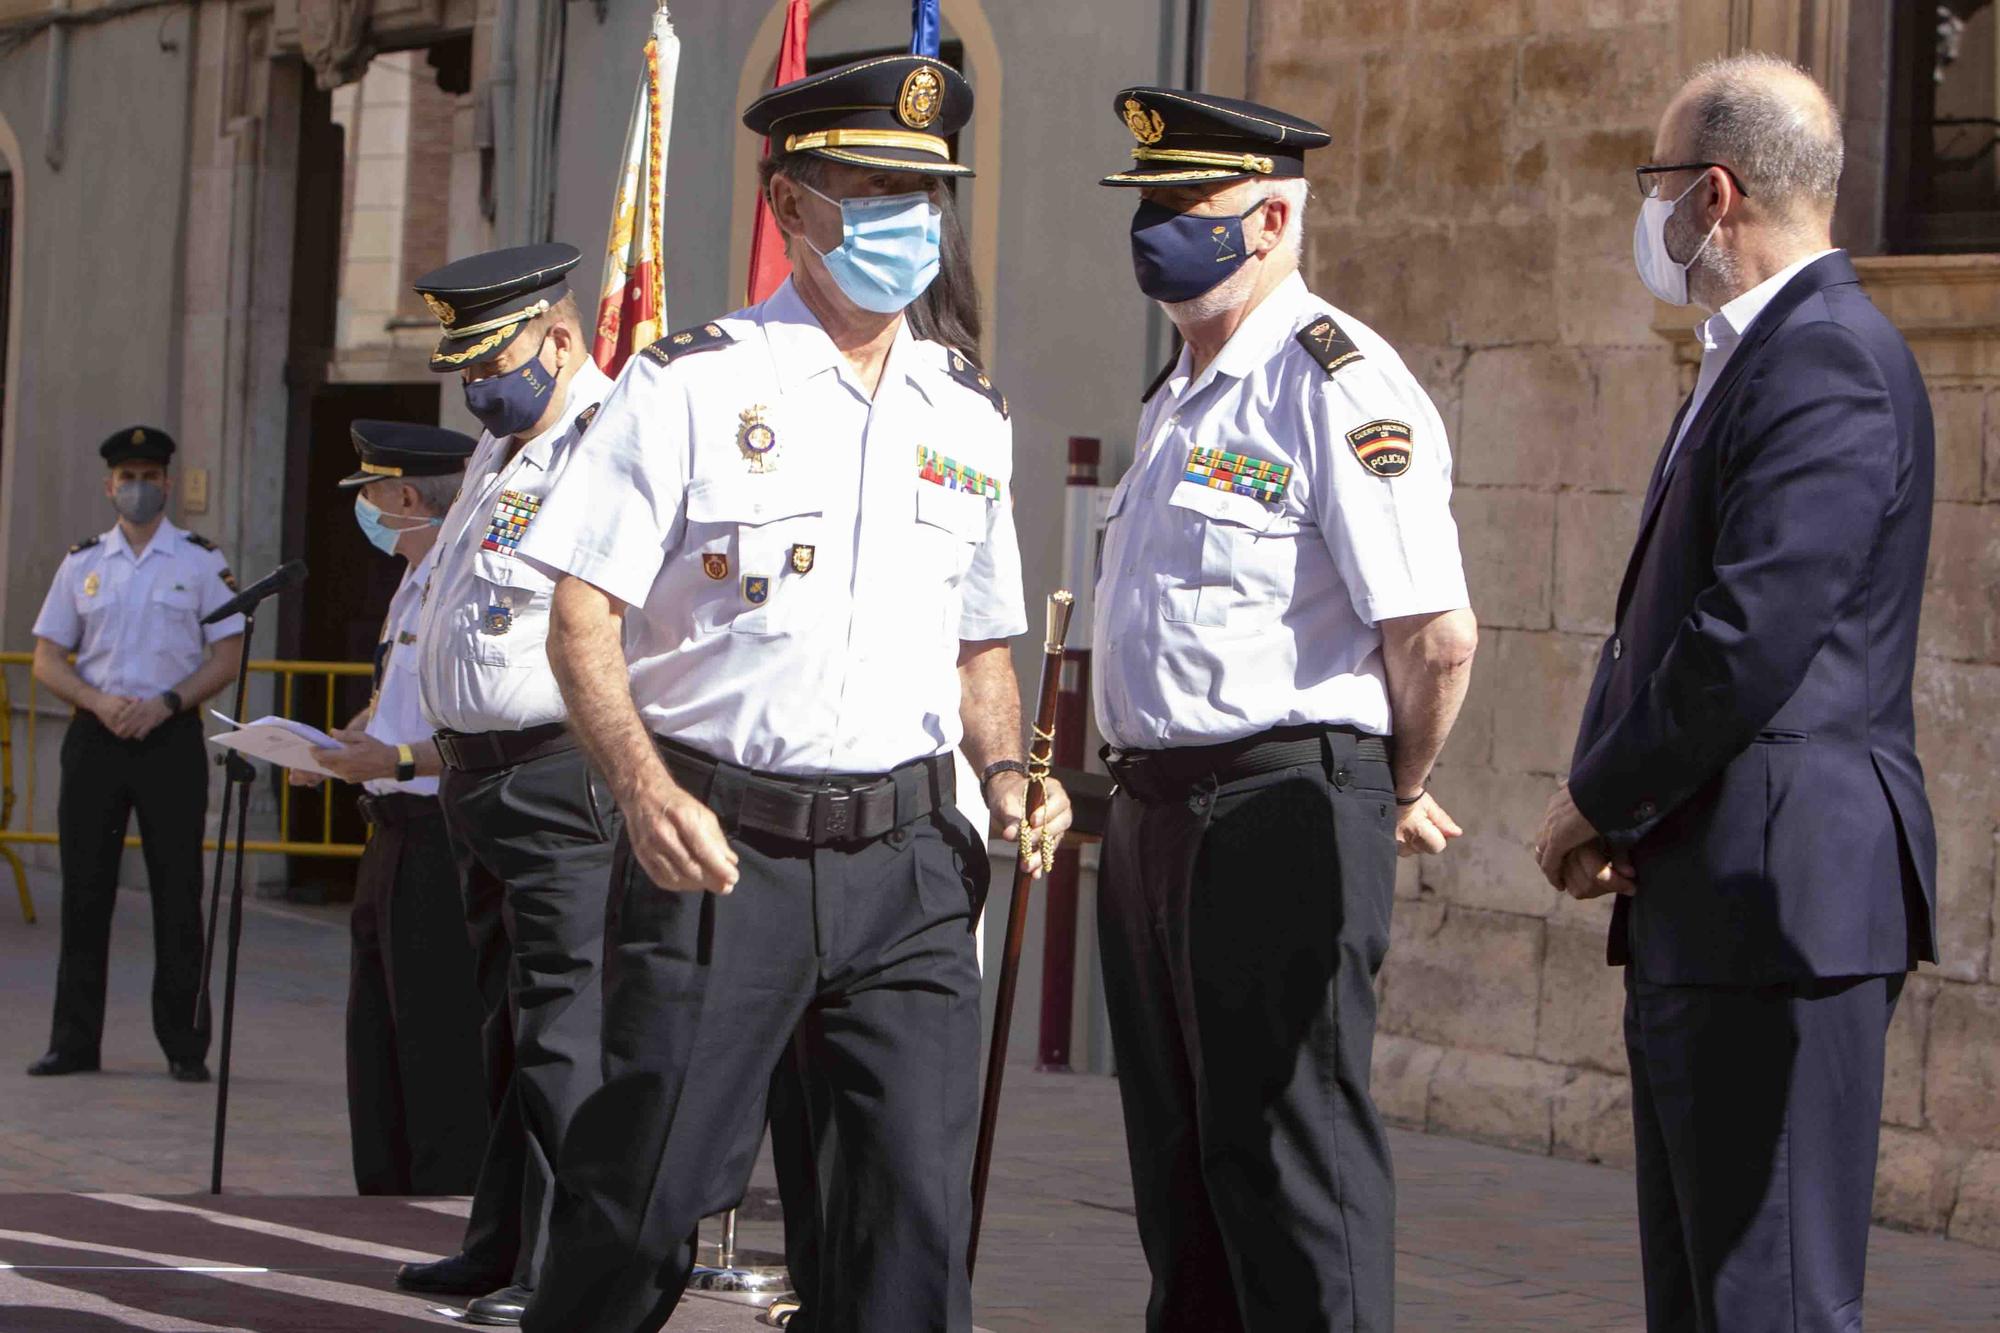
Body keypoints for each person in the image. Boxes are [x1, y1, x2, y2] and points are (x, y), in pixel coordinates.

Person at [514, 54, 1070, 1333]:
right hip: (724, 853)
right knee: (644, 1200)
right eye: (873, 191)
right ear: (791, 204)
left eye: (926, 198)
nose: (907, 225)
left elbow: (983, 643)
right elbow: (580, 610)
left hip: (909, 869)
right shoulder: (693, 387)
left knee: (907, 1225)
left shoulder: (966, 409)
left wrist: (1003, 774)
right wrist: (641, 787)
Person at [1532, 55, 1936, 1332]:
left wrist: (1593, 798)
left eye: (1653, 185)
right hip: (1716, 897)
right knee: (1708, 1295)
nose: (1642, 220)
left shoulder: (1822, 358)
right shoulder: (1757, 353)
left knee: (1767, 1297)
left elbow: (1745, 635)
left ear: (1711, 195)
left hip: (1780, 906)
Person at [1090, 88, 1479, 1332]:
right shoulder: (1177, 396)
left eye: (1181, 208)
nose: (1153, 230)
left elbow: (1433, 634)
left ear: (1268, 218)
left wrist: (1391, 788)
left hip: (1273, 804)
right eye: (1143, 206)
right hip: (1154, 813)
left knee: (1289, 1154)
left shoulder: (1334, 382)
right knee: (1182, 1163)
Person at [386, 244, 620, 1328]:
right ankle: (501, 1237)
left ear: (561, 339)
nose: (479, 385)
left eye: (496, 359)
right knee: (503, 1023)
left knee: (564, 1029)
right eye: (467, 365)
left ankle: (572, 1266)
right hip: (478, 779)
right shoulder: (501, 443)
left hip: (556, 773)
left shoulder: (608, 441)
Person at [286, 420, 491, 1196]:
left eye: (368, 492)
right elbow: (395, 704)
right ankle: (384, 1194)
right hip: (391, 831)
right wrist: (339, 745)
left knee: (436, 1038)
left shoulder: (465, 579)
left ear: (404, 496)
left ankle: (441, 1204)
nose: (363, 508)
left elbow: (484, 723)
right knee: (377, 1035)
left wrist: (395, 759)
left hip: (442, 834)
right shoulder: (413, 579)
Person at [26, 427, 246, 1083]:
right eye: (127, 476)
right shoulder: (83, 562)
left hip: (168, 735)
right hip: (96, 735)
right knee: (84, 893)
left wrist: (169, 702)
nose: (139, 487)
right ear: (108, 484)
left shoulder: (201, 561)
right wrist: (95, 701)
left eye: (150, 474)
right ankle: (73, 1042)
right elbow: (46, 659)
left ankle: (184, 1043)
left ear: (169, 483)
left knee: (178, 893)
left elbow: (227, 655)